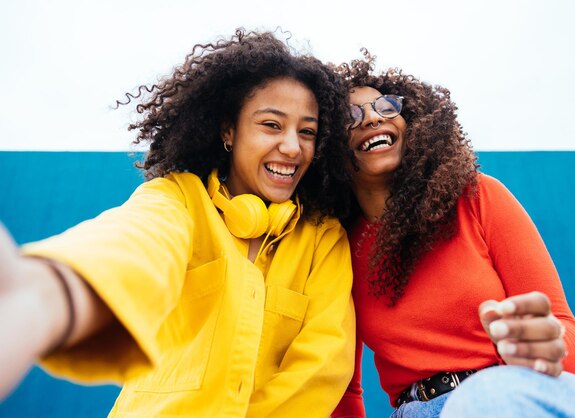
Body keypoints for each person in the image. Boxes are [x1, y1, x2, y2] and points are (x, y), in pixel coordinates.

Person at [0, 29, 356, 417]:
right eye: (271, 125)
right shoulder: (178, 200)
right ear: (228, 130)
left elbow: (323, 367)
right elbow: (131, 246)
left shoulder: (323, 238)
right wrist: (47, 291)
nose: (292, 146)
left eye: (307, 132)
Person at [330, 53, 575, 417]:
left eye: (386, 107)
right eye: (351, 116)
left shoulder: (479, 196)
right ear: (329, 150)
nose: (374, 117)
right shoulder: (337, 247)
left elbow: (567, 333)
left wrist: (541, 348)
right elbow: (344, 389)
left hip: (512, 392)